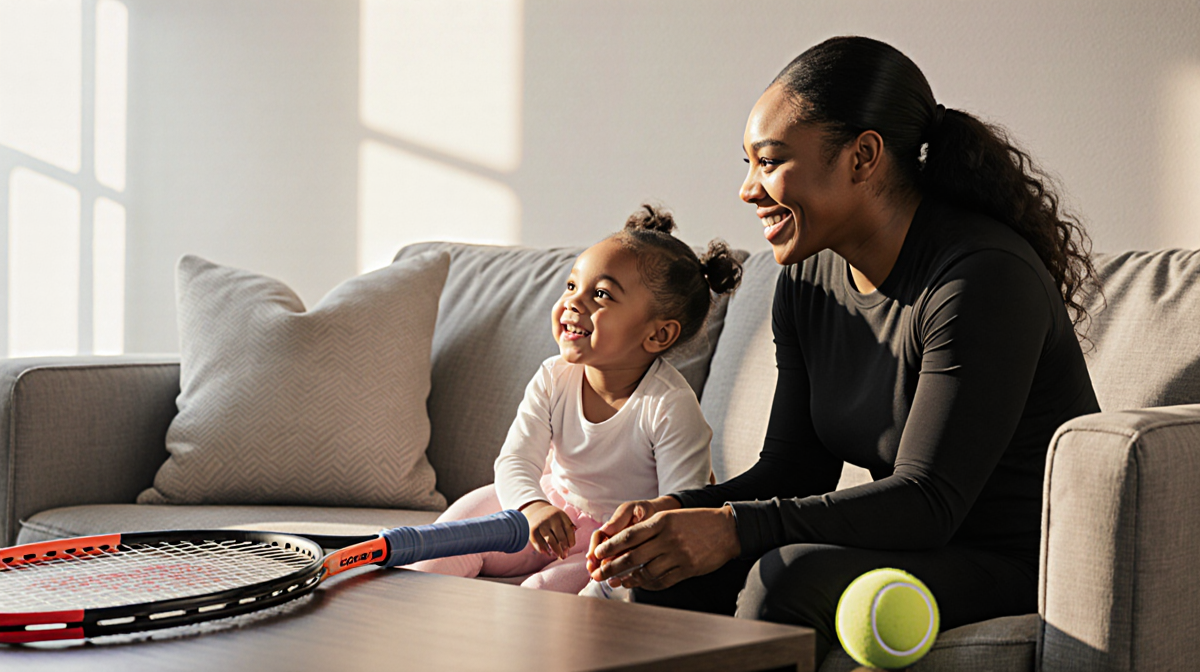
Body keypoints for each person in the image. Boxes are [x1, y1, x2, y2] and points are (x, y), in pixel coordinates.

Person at [587, 36, 1101, 661]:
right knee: (658, 574)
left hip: (1016, 562)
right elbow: (792, 470)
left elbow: (929, 501)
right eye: (748, 164)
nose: (748, 190)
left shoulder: (979, 279)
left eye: (770, 162)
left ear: (863, 156)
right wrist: (677, 510)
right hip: (914, 544)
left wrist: (731, 528)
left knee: (786, 581)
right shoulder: (808, 281)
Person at [408, 205, 742, 594]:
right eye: (571, 286)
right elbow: (516, 460)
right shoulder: (554, 376)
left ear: (658, 335)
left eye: (600, 294)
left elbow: (678, 512)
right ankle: (415, 609)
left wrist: (618, 562)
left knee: (541, 597)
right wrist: (532, 506)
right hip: (549, 507)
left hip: (607, 545)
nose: (573, 302)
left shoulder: (669, 407)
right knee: (448, 539)